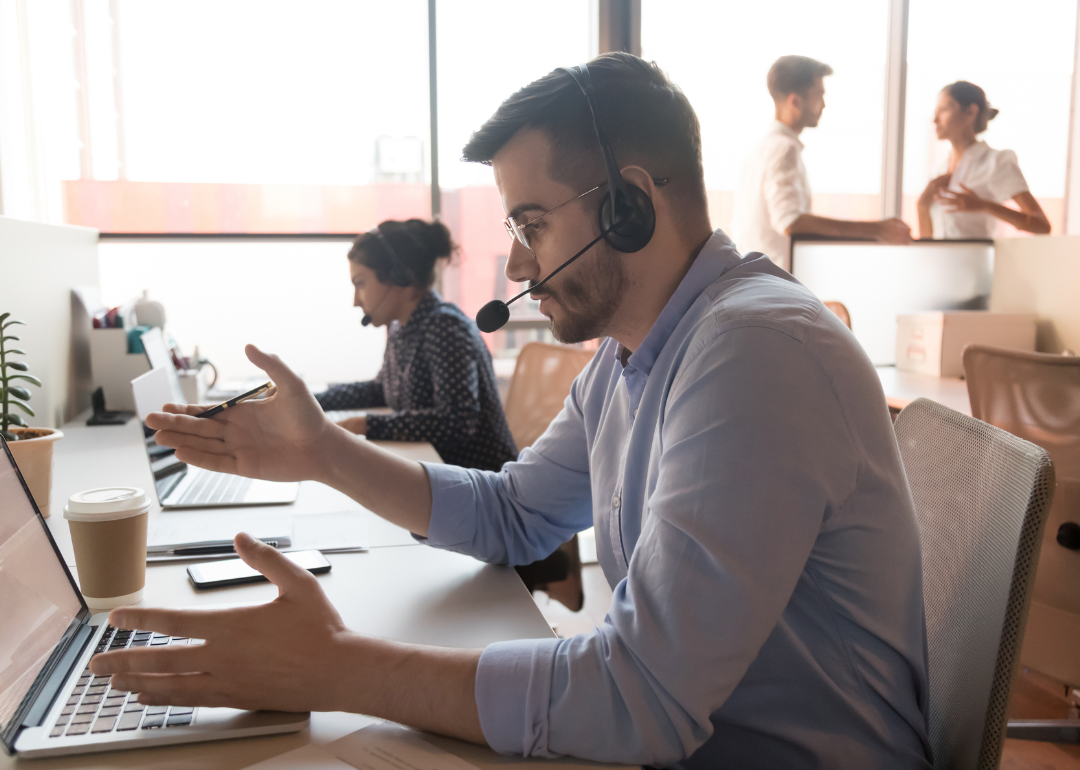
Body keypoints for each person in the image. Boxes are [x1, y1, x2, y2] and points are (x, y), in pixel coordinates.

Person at [91, 53, 931, 769]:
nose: (518, 265)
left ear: (628, 206)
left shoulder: (754, 353)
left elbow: (640, 697)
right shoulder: (632, 359)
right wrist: (323, 455)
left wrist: (334, 669)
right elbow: (516, 515)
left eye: (532, 225)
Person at [316, 219, 517, 472]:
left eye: (361, 283)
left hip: (482, 481)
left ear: (399, 277)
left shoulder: (445, 328)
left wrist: (364, 425)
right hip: (437, 468)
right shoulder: (401, 327)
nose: (356, 301)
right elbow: (381, 389)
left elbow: (457, 423)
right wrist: (313, 400)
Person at [732, 55, 912, 271]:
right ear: (795, 102)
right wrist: (877, 230)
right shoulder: (783, 149)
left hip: (761, 278)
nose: (824, 104)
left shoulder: (762, 148)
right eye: (819, 95)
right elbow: (790, 221)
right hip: (772, 281)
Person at [917, 81, 1050, 239]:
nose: (935, 120)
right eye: (935, 112)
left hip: (978, 256)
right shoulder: (937, 171)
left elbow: (1042, 225)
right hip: (937, 256)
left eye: (944, 109)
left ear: (970, 112)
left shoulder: (996, 162)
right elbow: (927, 242)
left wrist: (984, 205)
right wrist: (922, 205)